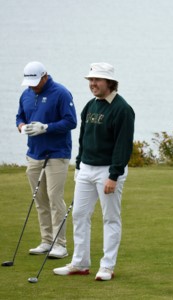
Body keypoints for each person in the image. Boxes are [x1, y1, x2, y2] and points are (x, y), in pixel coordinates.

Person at [53, 62, 135, 281]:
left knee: (110, 218)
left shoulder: (122, 109)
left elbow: (123, 145)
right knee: (79, 215)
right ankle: (80, 263)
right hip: (86, 169)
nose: (92, 84)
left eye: (97, 80)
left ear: (109, 82)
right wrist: (79, 165)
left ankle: (107, 266)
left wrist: (114, 175)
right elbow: (83, 139)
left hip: (108, 171)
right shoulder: (90, 106)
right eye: (90, 80)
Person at [16, 61, 77, 259]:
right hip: (34, 153)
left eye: (36, 81)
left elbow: (71, 121)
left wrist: (47, 127)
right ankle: (46, 241)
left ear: (45, 76)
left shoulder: (61, 93)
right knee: (40, 199)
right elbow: (19, 117)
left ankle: (60, 245)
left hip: (57, 154)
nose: (33, 86)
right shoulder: (26, 94)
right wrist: (22, 127)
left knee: (54, 198)